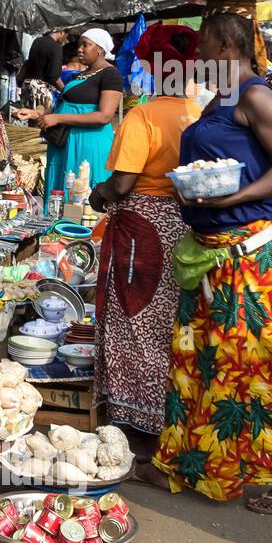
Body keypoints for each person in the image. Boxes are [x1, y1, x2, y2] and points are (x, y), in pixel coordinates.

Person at [147, 10, 272, 514]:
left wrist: (231, 198)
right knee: (200, 361)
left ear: (226, 45)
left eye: (203, 44)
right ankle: (188, 463)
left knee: (259, 364)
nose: (196, 54)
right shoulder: (220, 97)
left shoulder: (257, 96)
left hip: (247, 256)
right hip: (209, 253)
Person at [88, 25, 202, 457]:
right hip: (182, 226)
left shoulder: (144, 116)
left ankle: (137, 421)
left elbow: (121, 185)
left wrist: (99, 194)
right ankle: (169, 414)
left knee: (133, 322)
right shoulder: (196, 113)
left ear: (153, 70)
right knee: (169, 323)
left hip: (142, 228)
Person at [13, 28, 122, 197]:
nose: (80, 49)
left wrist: (59, 118)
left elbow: (104, 116)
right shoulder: (82, 74)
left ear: (100, 49)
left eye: (86, 45)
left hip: (87, 143)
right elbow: (65, 103)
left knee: (81, 195)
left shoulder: (110, 75)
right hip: (65, 141)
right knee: (61, 194)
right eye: (80, 45)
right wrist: (36, 114)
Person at [19, 28, 67, 112]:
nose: (65, 40)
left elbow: (28, 62)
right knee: (40, 122)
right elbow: (53, 76)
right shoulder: (56, 47)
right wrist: (66, 91)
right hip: (40, 91)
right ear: (62, 32)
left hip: (27, 86)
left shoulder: (37, 41)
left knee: (25, 118)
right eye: (66, 36)